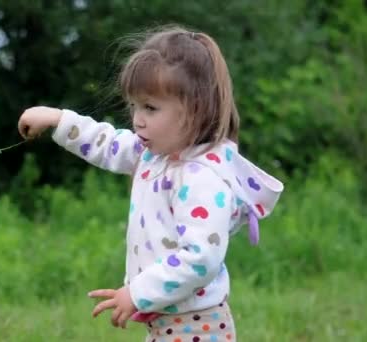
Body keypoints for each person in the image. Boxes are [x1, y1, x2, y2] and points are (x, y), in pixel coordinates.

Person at [17, 25, 284, 342]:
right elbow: (107, 143)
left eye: (151, 108)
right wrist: (58, 120)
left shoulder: (202, 177)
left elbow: (201, 259)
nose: (137, 119)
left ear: (194, 111)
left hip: (196, 327)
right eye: (135, 106)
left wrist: (137, 293)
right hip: (169, 323)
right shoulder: (153, 154)